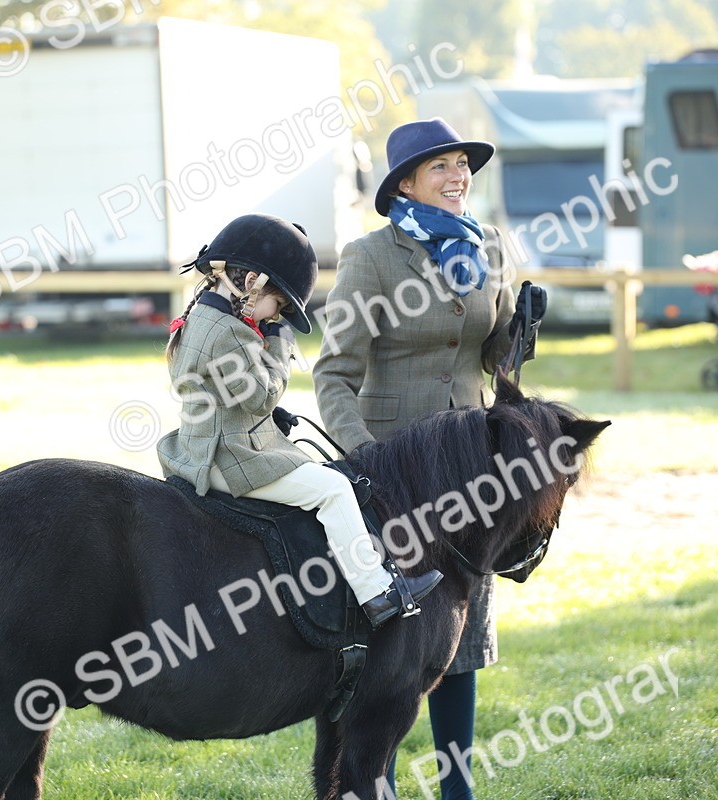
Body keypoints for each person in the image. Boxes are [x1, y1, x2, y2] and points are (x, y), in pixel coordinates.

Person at [312, 118, 546, 799]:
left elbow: (489, 357)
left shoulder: (489, 250)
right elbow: (333, 375)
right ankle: (364, 778)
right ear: (405, 184)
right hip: (393, 476)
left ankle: (457, 787)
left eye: (462, 165)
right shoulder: (372, 257)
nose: (457, 176)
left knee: (461, 632)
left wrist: (518, 333)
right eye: (440, 166)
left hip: (472, 475)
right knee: (387, 638)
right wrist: (364, 462)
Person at [157, 212, 443, 629]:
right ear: (251, 284)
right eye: (280, 306)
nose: (277, 315)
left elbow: (219, 389)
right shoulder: (231, 332)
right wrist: (276, 339)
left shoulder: (202, 313)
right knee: (334, 489)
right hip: (226, 456)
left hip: (201, 443)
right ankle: (376, 592)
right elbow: (264, 394)